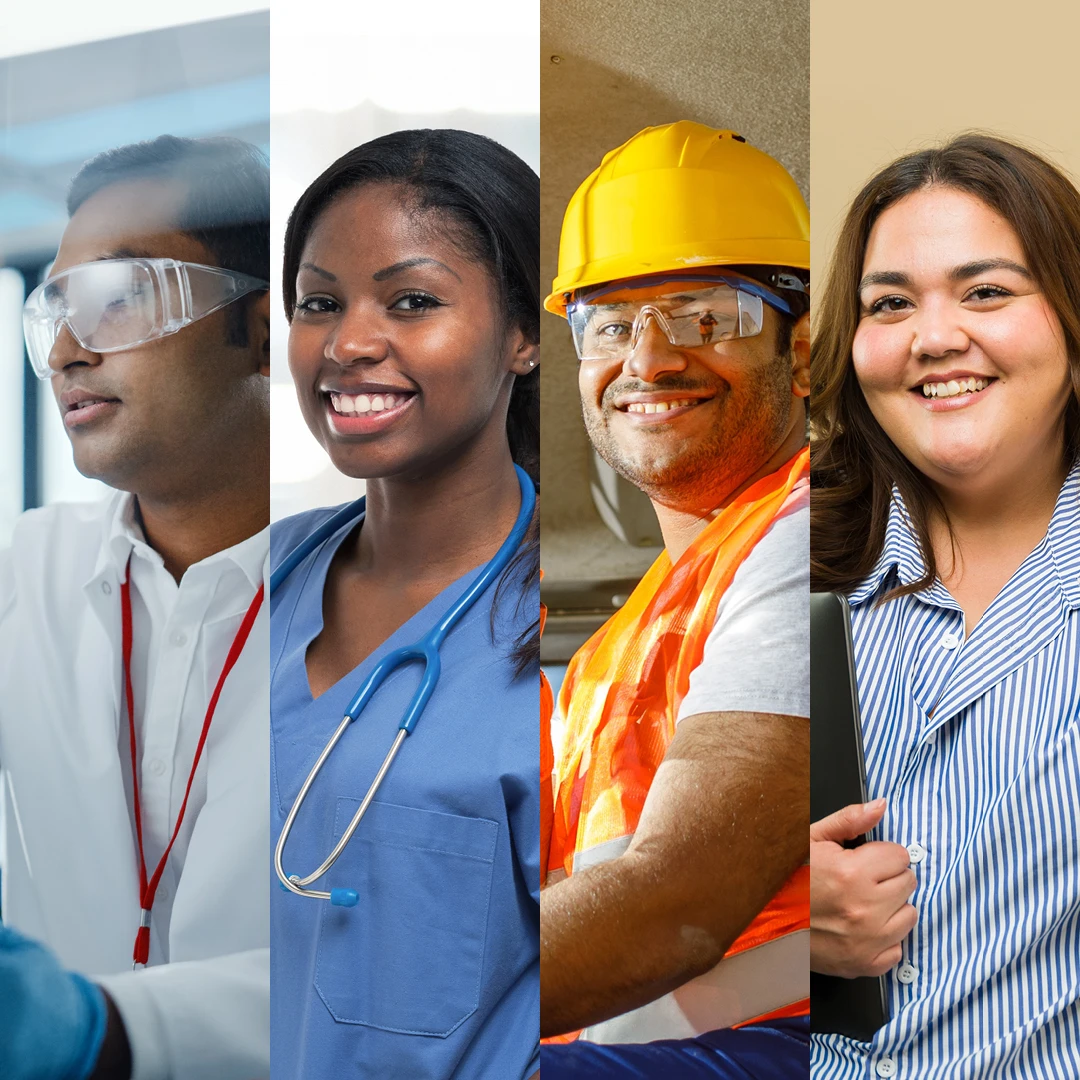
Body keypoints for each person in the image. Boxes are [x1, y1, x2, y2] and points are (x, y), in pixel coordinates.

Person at [540, 120, 812, 1076]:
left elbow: (679, 904)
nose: (647, 360)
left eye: (705, 316)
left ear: (803, 353)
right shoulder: (602, 656)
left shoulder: (813, 535)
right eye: (610, 324)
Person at [269, 128, 541, 1080]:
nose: (347, 344)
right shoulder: (253, 582)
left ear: (523, 334)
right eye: (319, 303)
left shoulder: (570, 650)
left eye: (412, 301)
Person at [0, 135, 271, 1080]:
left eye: (117, 296)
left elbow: (414, 965)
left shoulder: (404, 600)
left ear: (264, 328)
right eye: (55, 310)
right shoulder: (25, 572)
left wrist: (102, 1029)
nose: (66, 353)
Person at [809, 134, 1080, 1078]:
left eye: (986, 292)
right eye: (890, 303)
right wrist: (776, 910)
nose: (933, 338)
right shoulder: (782, 571)